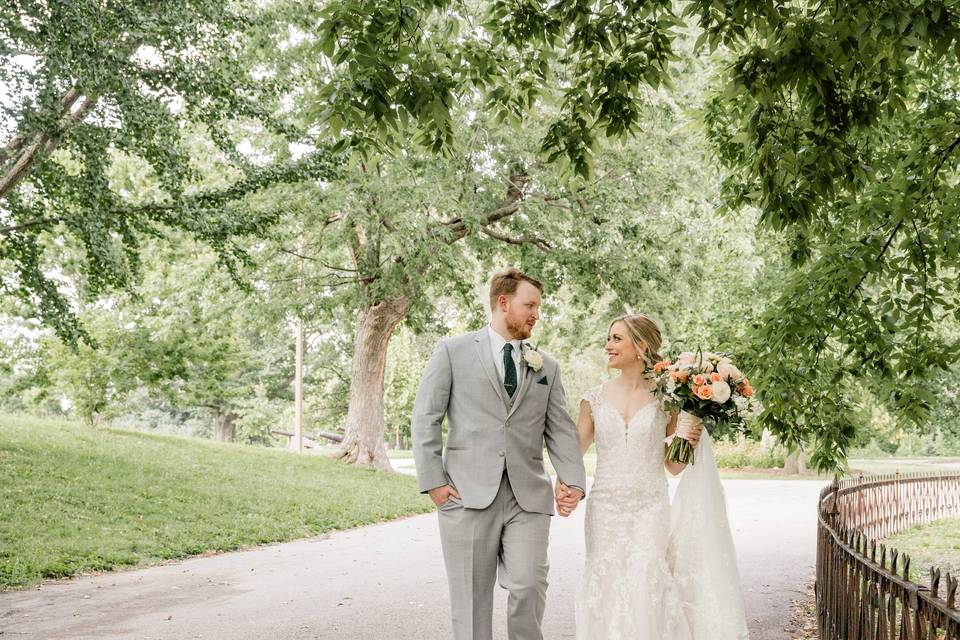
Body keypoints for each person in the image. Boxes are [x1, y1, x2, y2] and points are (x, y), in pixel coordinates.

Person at [411, 268, 586, 640]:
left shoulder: (547, 366)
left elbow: (560, 429)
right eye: (530, 305)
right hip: (466, 495)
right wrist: (435, 484)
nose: (536, 314)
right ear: (503, 303)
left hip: (528, 496)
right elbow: (426, 418)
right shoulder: (452, 352)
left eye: (538, 306)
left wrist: (572, 481)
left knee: (528, 586)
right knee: (471, 600)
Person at [571, 313, 749, 640]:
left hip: (650, 508)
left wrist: (689, 433)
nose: (607, 345)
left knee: (645, 581)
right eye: (609, 338)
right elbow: (573, 453)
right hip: (605, 509)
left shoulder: (668, 400)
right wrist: (565, 486)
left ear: (641, 347)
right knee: (605, 582)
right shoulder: (592, 398)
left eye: (616, 339)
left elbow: (673, 466)